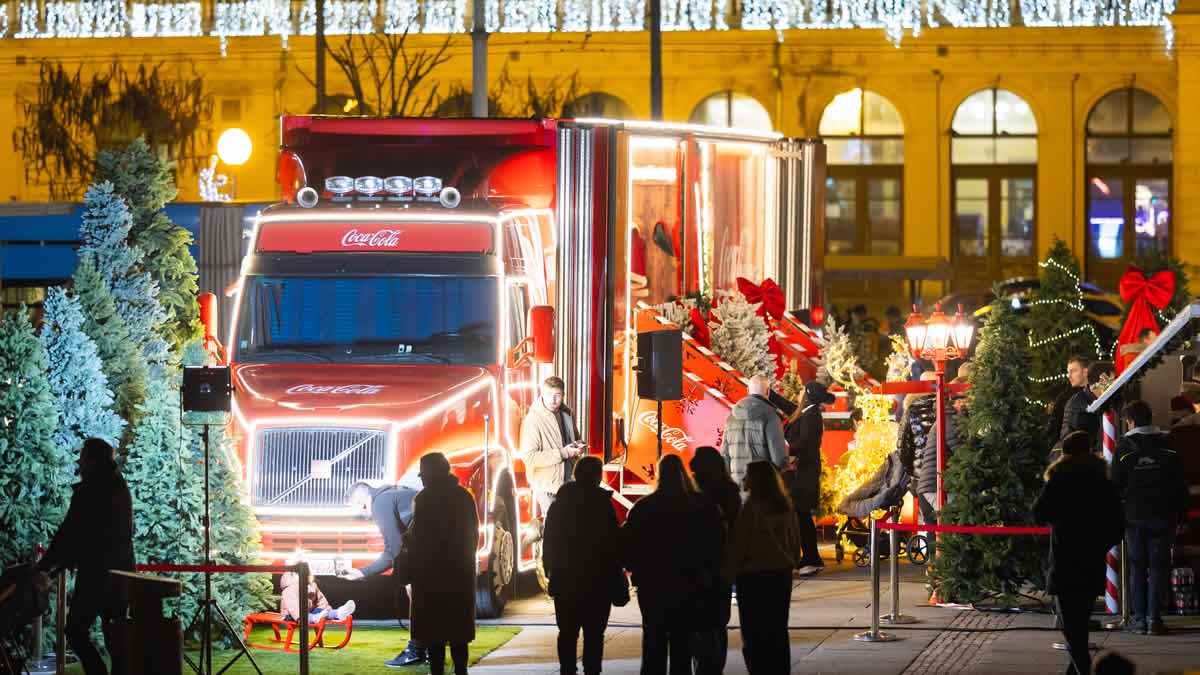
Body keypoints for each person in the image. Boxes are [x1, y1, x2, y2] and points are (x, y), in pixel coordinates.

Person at [38, 438, 135, 675]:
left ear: (92, 460)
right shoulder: (118, 485)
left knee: (76, 631)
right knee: (115, 636)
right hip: (120, 573)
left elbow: (70, 533)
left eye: (82, 457)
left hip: (96, 574)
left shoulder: (90, 490)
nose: (78, 462)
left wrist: (46, 565)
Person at [622, 454, 724, 675]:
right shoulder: (701, 505)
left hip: (653, 586)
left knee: (653, 643)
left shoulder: (643, 508)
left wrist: (634, 569)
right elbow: (716, 544)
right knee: (683, 644)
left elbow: (627, 545)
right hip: (690, 583)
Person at [1032, 431, 1124, 675]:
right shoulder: (1102, 482)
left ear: (1065, 453)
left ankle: (1083, 670)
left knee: (1071, 628)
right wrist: (1099, 545)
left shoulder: (1059, 479)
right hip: (1091, 562)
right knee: (1079, 624)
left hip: (1064, 560)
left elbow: (1038, 514)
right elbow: (1117, 525)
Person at [1112, 400, 1188, 636]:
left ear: (1131, 421)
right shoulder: (1167, 446)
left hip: (1133, 517)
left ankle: (1138, 620)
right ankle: (1154, 619)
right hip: (1163, 516)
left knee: (1137, 567)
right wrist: (1182, 517)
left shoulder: (1123, 449)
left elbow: (1115, 486)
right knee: (1158, 567)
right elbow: (1179, 485)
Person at [543, 456, 621, 675]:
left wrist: (550, 569)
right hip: (597, 581)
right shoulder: (603, 504)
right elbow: (613, 541)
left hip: (566, 579)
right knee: (595, 635)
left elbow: (549, 540)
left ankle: (567, 669)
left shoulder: (560, 504)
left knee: (567, 633)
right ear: (598, 477)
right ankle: (592, 670)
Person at [725, 461, 803, 675]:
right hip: (781, 574)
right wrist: (791, 562)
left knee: (753, 633)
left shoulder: (751, 507)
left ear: (755, 480)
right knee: (778, 630)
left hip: (753, 577)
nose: (744, 479)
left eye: (748, 475)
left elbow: (739, 545)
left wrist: (729, 576)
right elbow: (795, 542)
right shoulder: (785, 506)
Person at [340, 477, 427, 667]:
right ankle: (426, 648)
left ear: (362, 504)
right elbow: (394, 550)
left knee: (417, 595)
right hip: (440, 545)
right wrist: (363, 572)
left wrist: (406, 577)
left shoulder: (380, 504)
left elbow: (395, 548)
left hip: (431, 549)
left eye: (357, 511)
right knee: (423, 599)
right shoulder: (389, 497)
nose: (363, 516)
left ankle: (417, 650)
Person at [407, 453, 479, 675]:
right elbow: (472, 535)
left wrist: (408, 539)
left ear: (431, 473)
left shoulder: (424, 499)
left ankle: (437, 671)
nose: (421, 478)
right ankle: (461, 670)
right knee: (458, 631)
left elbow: (420, 538)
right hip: (459, 574)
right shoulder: (464, 496)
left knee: (433, 633)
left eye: (423, 473)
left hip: (431, 576)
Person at [689, 447, 742, 675]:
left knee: (698, 623)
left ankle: (702, 664)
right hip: (723, 563)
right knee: (718, 622)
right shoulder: (730, 490)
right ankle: (714, 666)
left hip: (696, 566)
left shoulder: (693, 493)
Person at [784, 380, 835, 576]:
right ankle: (810, 558)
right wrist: (769, 394)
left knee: (803, 516)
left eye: (800, 392)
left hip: (804, 472)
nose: (797, 394)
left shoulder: (812, 415)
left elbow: (806, 442)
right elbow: (788, 406)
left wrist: (792, 454)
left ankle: (812, 559)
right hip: (802, 471)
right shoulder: (807, 412)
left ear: (807, 395)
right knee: (802, 516)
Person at [521, 376, 585, 516]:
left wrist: (578, 445)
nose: (552, 400)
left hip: (569, 484)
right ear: (542, 393)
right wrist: (564, 453)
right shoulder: (533, 419)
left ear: (563, 395)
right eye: (549, 394)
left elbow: (574, 438)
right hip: (548, 488)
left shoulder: (567, 414)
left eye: (557, 395)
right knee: (554, 531)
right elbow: (529, 457)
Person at [722, 374, 788, 488]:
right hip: (762, 486)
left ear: (747, 390)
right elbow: (779, 460)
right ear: (768, 391)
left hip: (737, 485)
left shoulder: (731, 417)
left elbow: (725, 454)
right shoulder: (771, 416)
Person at [919, 382, 969, 515]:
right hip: (937, 488)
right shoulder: (950, 420)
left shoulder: (947, 417)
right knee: (950, 527)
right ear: (958, 402)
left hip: (936, 486)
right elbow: (964, 453)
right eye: (969, 400)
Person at [898, 372, 938, 525]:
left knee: (928, 522)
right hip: (947, 475)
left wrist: (911, 473)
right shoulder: (947, 406)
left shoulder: (912, 410)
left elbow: (903, 447)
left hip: (921, 477)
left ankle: (928, 547)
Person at [1059, 361, 1115, 452]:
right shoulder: (1077, 402)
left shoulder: (1108, 402)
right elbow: (1068, 437)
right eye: (1112, 381)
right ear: (1102, 381)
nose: (1114, 385)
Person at [280, 570, 355, 623]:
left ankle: (338, 613)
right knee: (311, 615)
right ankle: (316, 617)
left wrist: (327, 609)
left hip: (308, 611)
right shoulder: (290, 589)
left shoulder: (311, 586)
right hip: (291, 615)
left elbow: (321, 600)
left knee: (321, 611)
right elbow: (293, 606)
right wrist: (301, 617)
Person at [1045, 355, 1090, 443]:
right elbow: (1054, 427)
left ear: (1085, 371)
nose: (1069, 376)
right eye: (1068, 372)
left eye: (1073, 371)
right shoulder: (1064, 398)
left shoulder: (1099, 392)